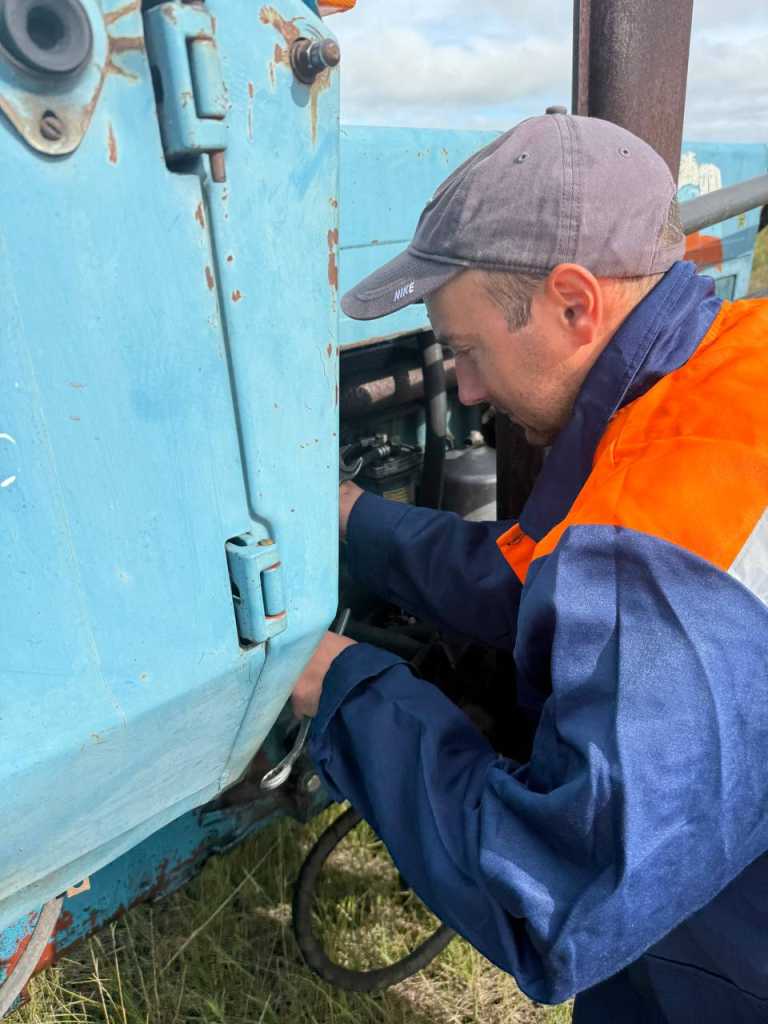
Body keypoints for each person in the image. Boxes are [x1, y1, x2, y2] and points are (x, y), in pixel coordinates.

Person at [291, 113, 768, 1022]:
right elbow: (536, 578)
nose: (465, 391)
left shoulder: (661, 566)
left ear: (575, 303)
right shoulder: (730, 362)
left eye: (466, 352)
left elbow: (550, 900)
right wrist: (364, 525)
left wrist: (347, 688)